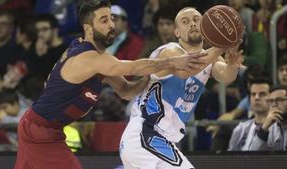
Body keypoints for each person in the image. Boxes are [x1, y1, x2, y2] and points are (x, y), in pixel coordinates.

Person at [14, 1, 212, 169]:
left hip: (47, 129)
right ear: (88, 28)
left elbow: (126, 91)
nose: (111, 24)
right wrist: (170, 63)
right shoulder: (88, 57)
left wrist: (154, 78)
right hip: (39, 131)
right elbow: (133, 67)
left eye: (111, 19)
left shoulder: (100, 59)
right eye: (104, 20)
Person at [119, 7, 243, 169]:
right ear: (176, 32)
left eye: (196, 20)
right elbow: (186, 70)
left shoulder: (211, 58)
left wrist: (232, 65)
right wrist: (224, 42)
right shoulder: (169, 52)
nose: (192, 24)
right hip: (145, 134)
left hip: (162, 140)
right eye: (185, 22)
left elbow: (226, 76)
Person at [228, 77, 271, 151]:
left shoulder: (279, 128)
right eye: (253, 94)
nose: (256, 98)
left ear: (272, 98)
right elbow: (231, 159)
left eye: (262, 94)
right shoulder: (241, 128)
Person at [250, 85, 287, 151]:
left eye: (279, 100)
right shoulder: (270, 128)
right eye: (271, 101)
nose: (274, 104)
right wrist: (264, 129)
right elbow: (254, 156)